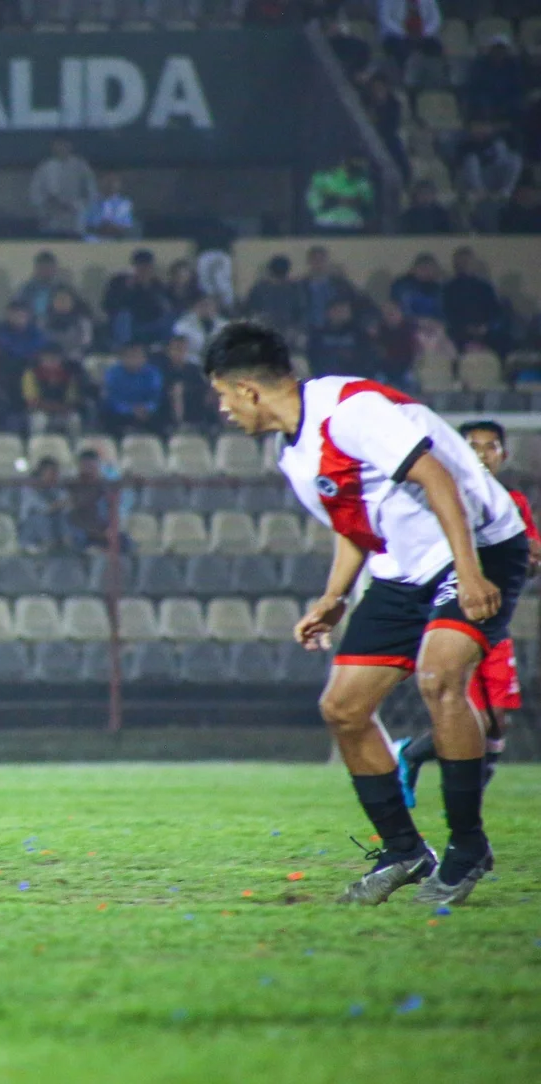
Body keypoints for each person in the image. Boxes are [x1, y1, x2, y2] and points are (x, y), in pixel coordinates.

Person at [204, 321, 528, 906]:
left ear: (249, 389)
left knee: (439, 677)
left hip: (477, 545)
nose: (223, 409)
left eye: (223, 395)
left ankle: (467, 848)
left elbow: (435, 478)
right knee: (344, 708)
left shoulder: (349, 410)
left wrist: (472, 570)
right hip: (402, 569)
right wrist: (333, 597)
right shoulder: (293, 453)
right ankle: (405, 851)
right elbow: (355, 524)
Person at [395, 421, 540, 805]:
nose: (481, 455)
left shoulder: (513, 504)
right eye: (472, 446)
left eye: (490, 447)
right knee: (469, 715)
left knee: (496, 722)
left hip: (495, 622)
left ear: (503, 456)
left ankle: (419, 762)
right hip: (454, 621)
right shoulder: (442, 498)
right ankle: (456, 809)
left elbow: (529, 558)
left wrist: (530, 558)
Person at [28, 137, 97, 237]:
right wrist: (48, 205)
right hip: (52, 217)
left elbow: (91, 192)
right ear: (53, 147)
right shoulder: (45, 168)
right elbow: (35, 194)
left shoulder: (81, 166)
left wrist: (77, 206)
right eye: (58, 145)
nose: (61, 148)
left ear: (70, 146)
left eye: (64, 145)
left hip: (75, 217)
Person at [101, 342, 165, 438]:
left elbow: (156, 396)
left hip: (146, 413)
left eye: (137, 356)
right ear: (122, 358)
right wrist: (130, 410)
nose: (133, 360)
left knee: (161, 419)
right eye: (129, 356)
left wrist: (147, 408)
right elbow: (111, 398)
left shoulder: (153, 373)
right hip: (120, 413)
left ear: (144, 358)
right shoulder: (113, 373)